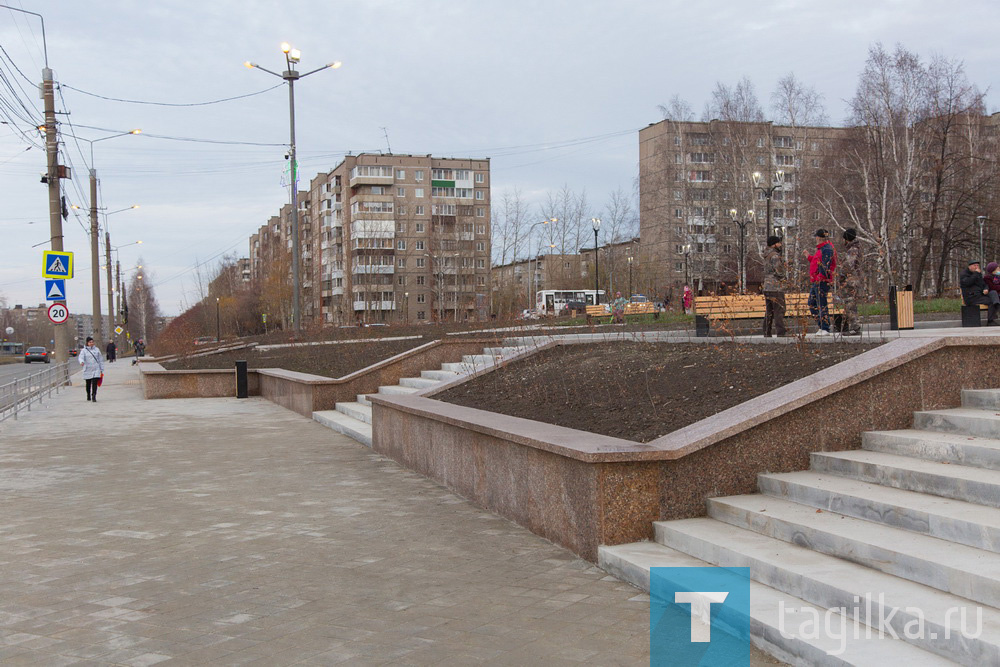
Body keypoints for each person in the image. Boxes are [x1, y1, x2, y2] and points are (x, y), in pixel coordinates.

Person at [805, 228, 837, 335]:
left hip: (821, 281)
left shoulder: (826, 249)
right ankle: (822, 325)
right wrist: (809, 257)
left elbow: (825, 265)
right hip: (817, 280)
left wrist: (820, 277)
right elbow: (817, 262)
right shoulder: (821, 249)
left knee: (820, 303)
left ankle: (825, 327)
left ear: (818, 238)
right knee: (812, 303)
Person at [840, 228, 864, 335]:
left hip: (850, 281)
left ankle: (855, 326)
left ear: (846, 239)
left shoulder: (852, 250)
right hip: (854, 279)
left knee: (850, 304)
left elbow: (848, 266)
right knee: (850, 303)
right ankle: (853, 326)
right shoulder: (857, 248)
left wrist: (841, 274)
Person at [960, 260, 1000, 325]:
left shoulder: (978, 274)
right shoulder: (964, 274)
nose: (976, 267)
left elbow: (984, 284)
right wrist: (976, 274)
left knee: (993, 295)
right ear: (969, 266)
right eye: (974, 265)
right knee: (991, 301)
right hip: (971, 296)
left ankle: (996, 306)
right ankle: (990, 321)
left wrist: (986, 289)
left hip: (980, 295)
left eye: (977, 265)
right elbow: (968, 282)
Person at [762, 235, 787, 337]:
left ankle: (766, 332)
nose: (780, 245)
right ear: (774, 244)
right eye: (779, 243)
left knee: (769, 311)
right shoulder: (775, 256)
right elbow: (779, 271)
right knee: (779, 310)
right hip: (775, 286)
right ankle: (781, 333)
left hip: (767, 286)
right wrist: (784, 277)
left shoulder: (766, 255)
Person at [79, 336, 104, 402]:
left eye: (92, 342)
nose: (91, 343)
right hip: (88, 369)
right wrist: (81, 362)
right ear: (87, 343)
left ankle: (94, 395)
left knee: (95, 383)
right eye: (90, 342)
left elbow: (100, 359)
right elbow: (81, 357)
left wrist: (101, 369)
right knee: (88, 383)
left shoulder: (97, 350)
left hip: (96, 368)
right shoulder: (84, 351)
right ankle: (88, 394)